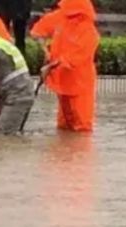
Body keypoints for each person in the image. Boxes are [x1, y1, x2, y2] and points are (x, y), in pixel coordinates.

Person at [37, 0, 99, 132]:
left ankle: (80, 152)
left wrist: (50, 66)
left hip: (80, 83)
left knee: (82, 126)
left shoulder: (89, 32)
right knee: (63, 126)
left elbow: (74, 59)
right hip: (62, 81)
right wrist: (45, 51)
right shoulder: (60, 17)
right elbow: (38, 31)